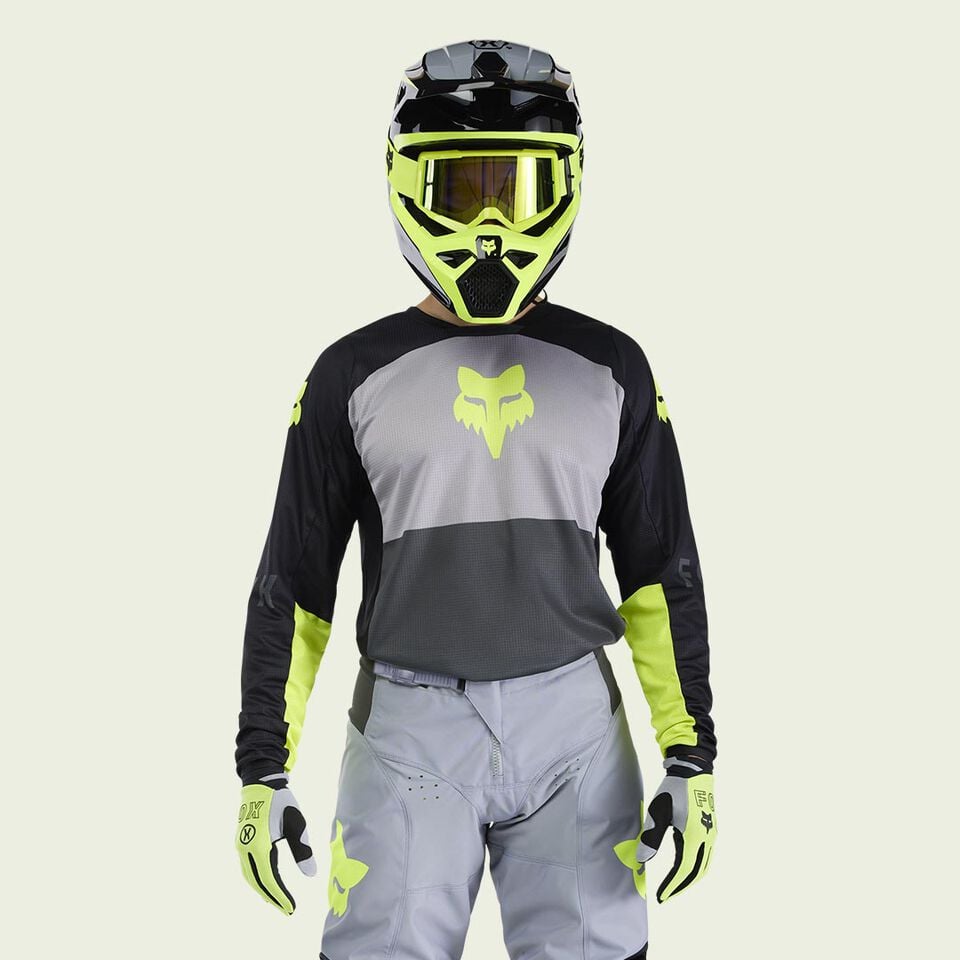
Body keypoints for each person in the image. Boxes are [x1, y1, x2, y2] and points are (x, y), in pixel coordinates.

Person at [234, 39, 717, 960]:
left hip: (572, 730)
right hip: (413, 734)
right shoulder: (347, 377)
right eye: (462, 190)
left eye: (518, 189)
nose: (492, 225)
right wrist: (262, 765)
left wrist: (692, 752)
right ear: (408, 184)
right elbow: (294, 585)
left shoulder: (615, 369)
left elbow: (662, 569)